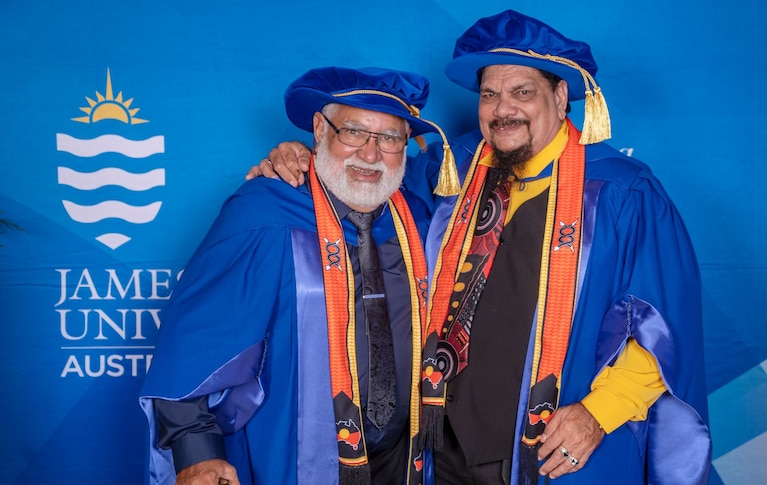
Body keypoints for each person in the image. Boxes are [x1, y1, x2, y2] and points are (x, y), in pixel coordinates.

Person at [252, 10, 711, 485]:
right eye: (489, 95)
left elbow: (666, 324)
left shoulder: (621, 192)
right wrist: (308, 155)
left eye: (522, 92)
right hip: (442, 446)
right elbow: (367, 184)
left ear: (559, 96)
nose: (502, 109)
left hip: (554, 446)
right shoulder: (454, 168)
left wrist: (599, 413)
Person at [139, 66, 455, 485]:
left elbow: (495, 150)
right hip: (293, 456)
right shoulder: (265, 212)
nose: (370, 153)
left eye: (389, 138)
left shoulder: (418, 211)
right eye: (354, 132)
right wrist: (196, 450)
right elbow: (195, 339)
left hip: (402, 458)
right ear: (320, 130)